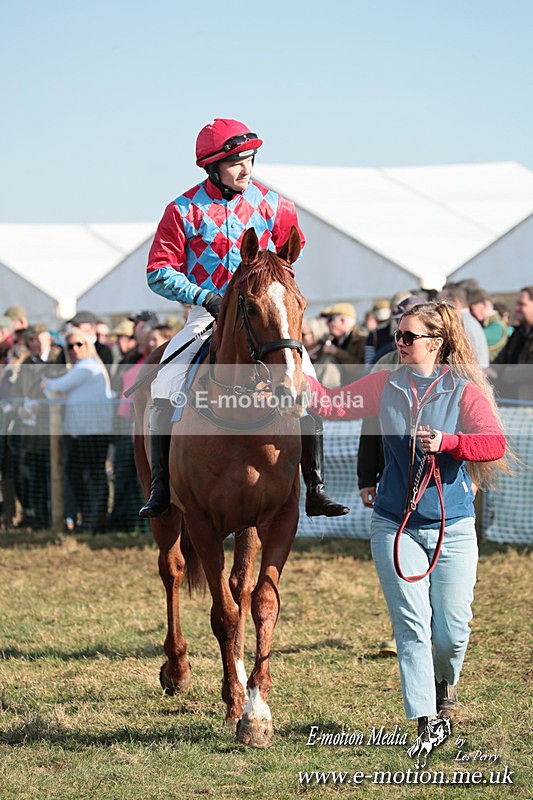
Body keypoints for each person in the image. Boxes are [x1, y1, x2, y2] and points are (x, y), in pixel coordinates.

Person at [306, 300, 508, 742]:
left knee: (452, 631)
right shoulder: (385, 384)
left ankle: (443, 681)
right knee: (412, 624)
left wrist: (450, 441)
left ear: (436, 343)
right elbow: (330, 405)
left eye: (409, 337)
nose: (399, 343)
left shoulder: (463, 390)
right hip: (393, 523)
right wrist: (296, 366)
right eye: (397, 335)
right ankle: (425, 718)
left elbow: (493, 442)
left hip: (452, 525)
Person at [139, 116, 348, 520]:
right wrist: (205, 296)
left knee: (309, 381)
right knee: (166, 379)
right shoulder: (182, 210)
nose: (246, 169)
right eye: (236, 162)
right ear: (212, 166)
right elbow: (158, 270)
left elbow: (292, 251)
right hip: (207, 311)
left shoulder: (277, 205)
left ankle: (315, 487)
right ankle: (161, 486)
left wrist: (271, 294)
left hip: (261, 313)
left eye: (250, 159)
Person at [42, 328, 113, 533]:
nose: (74, 349)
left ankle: (95, 521)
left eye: (78, 344)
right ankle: (89, 519)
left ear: (87, 345)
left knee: (93, 477)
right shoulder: (81, 367)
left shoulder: (87, 367)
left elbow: (56, 385)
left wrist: (48, 385)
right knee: (81, 476)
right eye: (70, 346)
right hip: (81, 433)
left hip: (92, 433)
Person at [491, 286, 533, 401]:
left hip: (527, 405)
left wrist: (507, 373)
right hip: (510, 400)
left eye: (522, 304)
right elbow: (501, 359)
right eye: (517, 304)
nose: (516, 308)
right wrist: (491, 369)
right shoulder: (518, 333)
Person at [319, 302, 366, 384]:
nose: (327, 324)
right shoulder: (334, 340)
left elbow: (360, 369)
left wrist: (336, 352)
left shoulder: (362, 339)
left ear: (342, 320)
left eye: (330, 319)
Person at [301, 317, 342, 388]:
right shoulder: (302, 356)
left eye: (302, 334)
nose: (299, 338)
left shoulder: (328, 362)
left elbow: (330, 390)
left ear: (315, 333)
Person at [468, 289, 508, 361]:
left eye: (474, 308)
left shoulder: (497, 327)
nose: (472, 312)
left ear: (485, 304)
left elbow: (471, 339)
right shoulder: (487, 324)